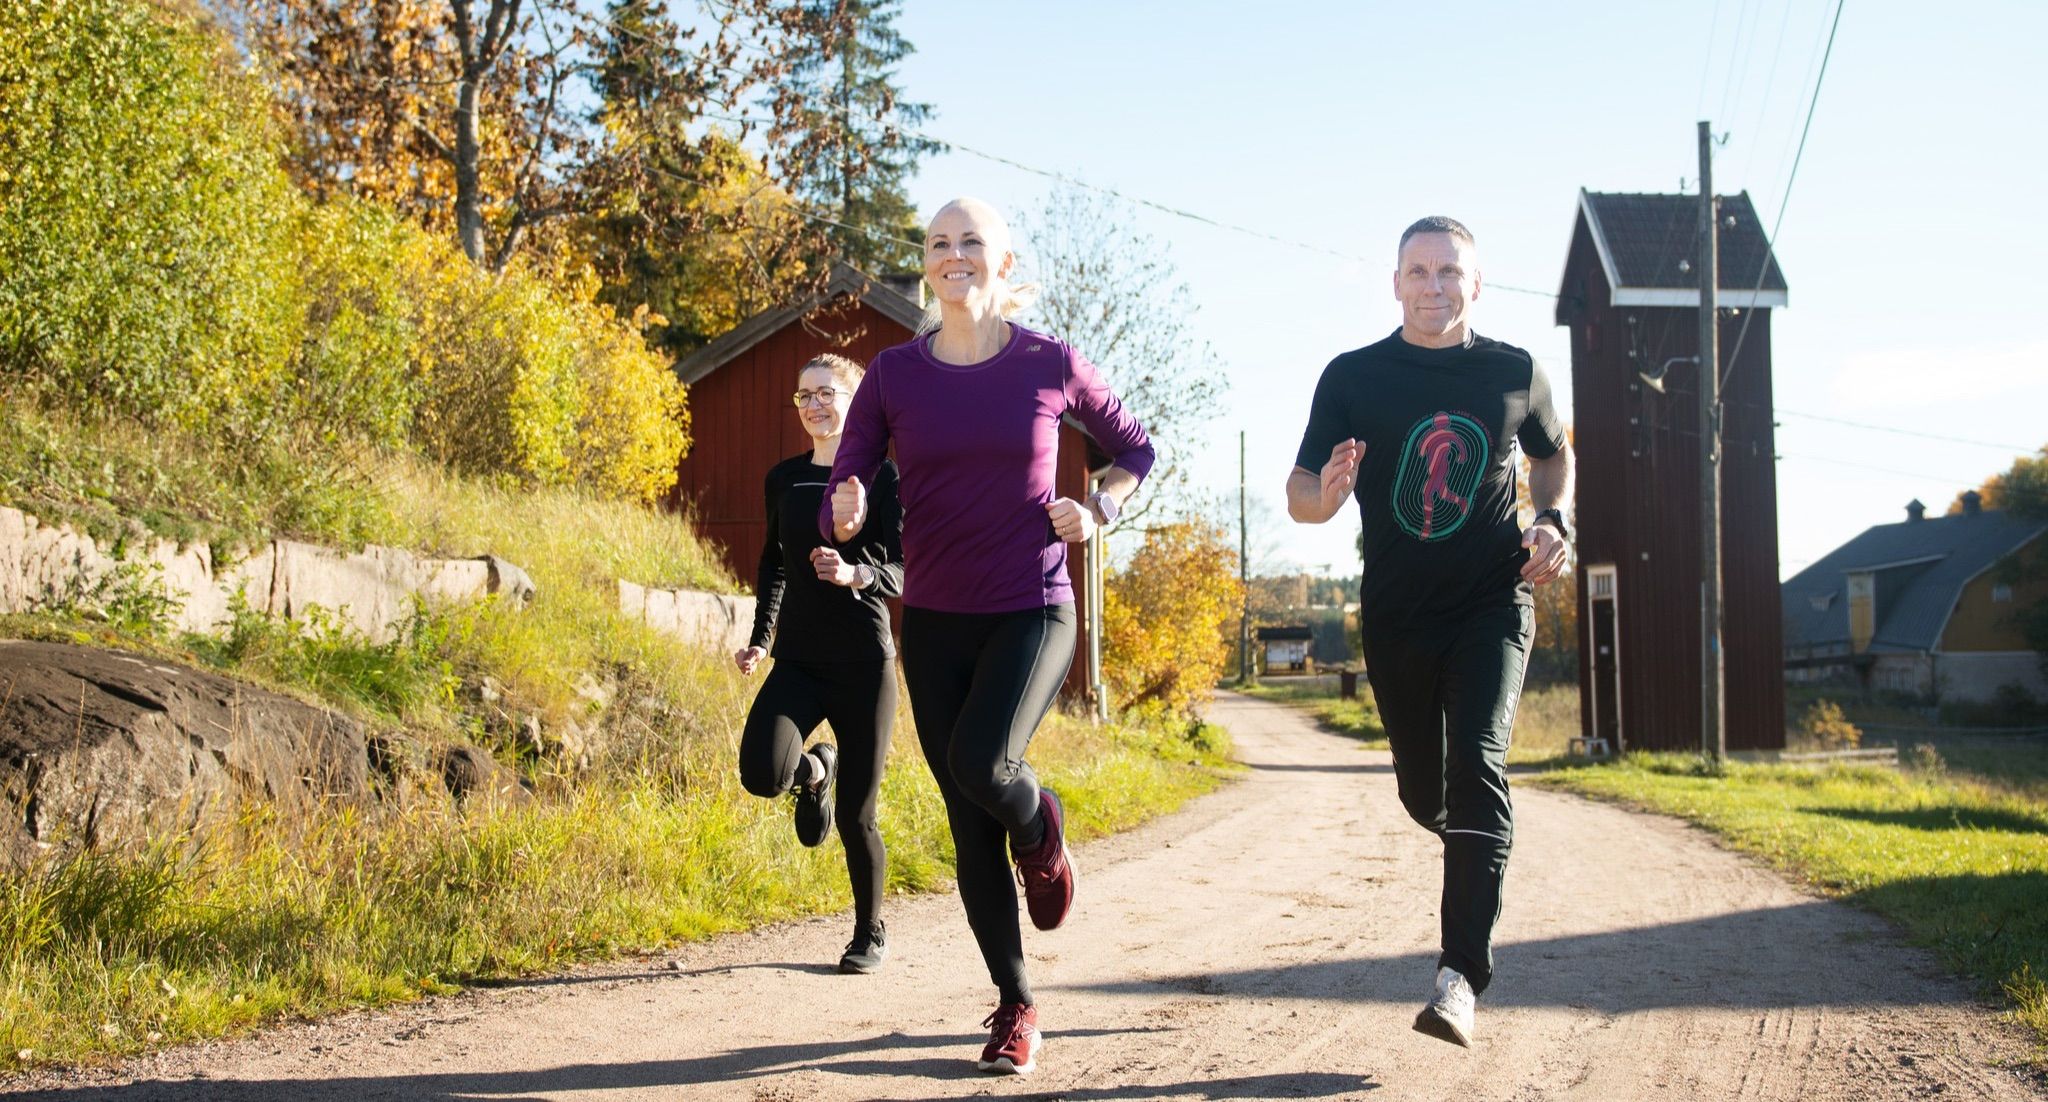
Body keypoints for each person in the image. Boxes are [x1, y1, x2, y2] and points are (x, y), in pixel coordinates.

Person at [821, 197, 1154, 1075]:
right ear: (926, 266)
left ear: (1002, 265)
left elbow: (1136, 450)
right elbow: (844, 485)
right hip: (933, 619)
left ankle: (1041, 825)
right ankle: (1016, 1007)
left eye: (972, 242)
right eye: (939, 243)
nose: (954, 254)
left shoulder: (1049, 362)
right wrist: (846, 508)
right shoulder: (894, 375)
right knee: (969, 827)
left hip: (1034, 602)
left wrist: (1102, 507)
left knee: (985, 763)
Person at [1286, 216, 1575, 1048]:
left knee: (1479, 763)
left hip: (1493, 600)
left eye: (1451, 271)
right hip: (1397, 618)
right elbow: (1301, 489)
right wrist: (1327, 496)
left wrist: (1554, 516)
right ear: (1396, 282)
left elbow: (1554, 455)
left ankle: (1459, 978)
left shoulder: (1515, 371)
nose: (1434, 285)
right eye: (1419, 270)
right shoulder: (1353, 376)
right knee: (1427, 795)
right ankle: (1478, 843)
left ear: (1475, 284)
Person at [734, 353, 904, 976]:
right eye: (803, 395)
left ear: (855, 402)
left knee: (859, 816)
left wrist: (858, 573)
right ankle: (814, 771)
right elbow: (772, 567)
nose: (813, 405)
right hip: (799, 662)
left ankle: (869, 932)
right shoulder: (784, 479)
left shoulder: (885, 479)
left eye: (827, 393)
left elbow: (907, 570)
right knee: (761, 772)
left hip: (865, 664)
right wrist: (760, 638)